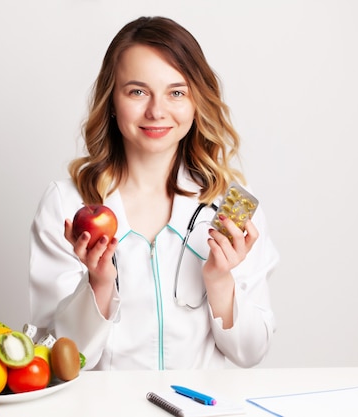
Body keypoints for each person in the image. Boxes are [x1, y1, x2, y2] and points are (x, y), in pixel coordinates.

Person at [28, 16, 279, 370]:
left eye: (176, 92)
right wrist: (98, 286)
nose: (157, 111)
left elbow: (251, 352)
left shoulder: (230, 204)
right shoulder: (67, 205)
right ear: (112, 100)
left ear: (197, 103)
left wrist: (220, 280)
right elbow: (60, 361)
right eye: (137, 91)